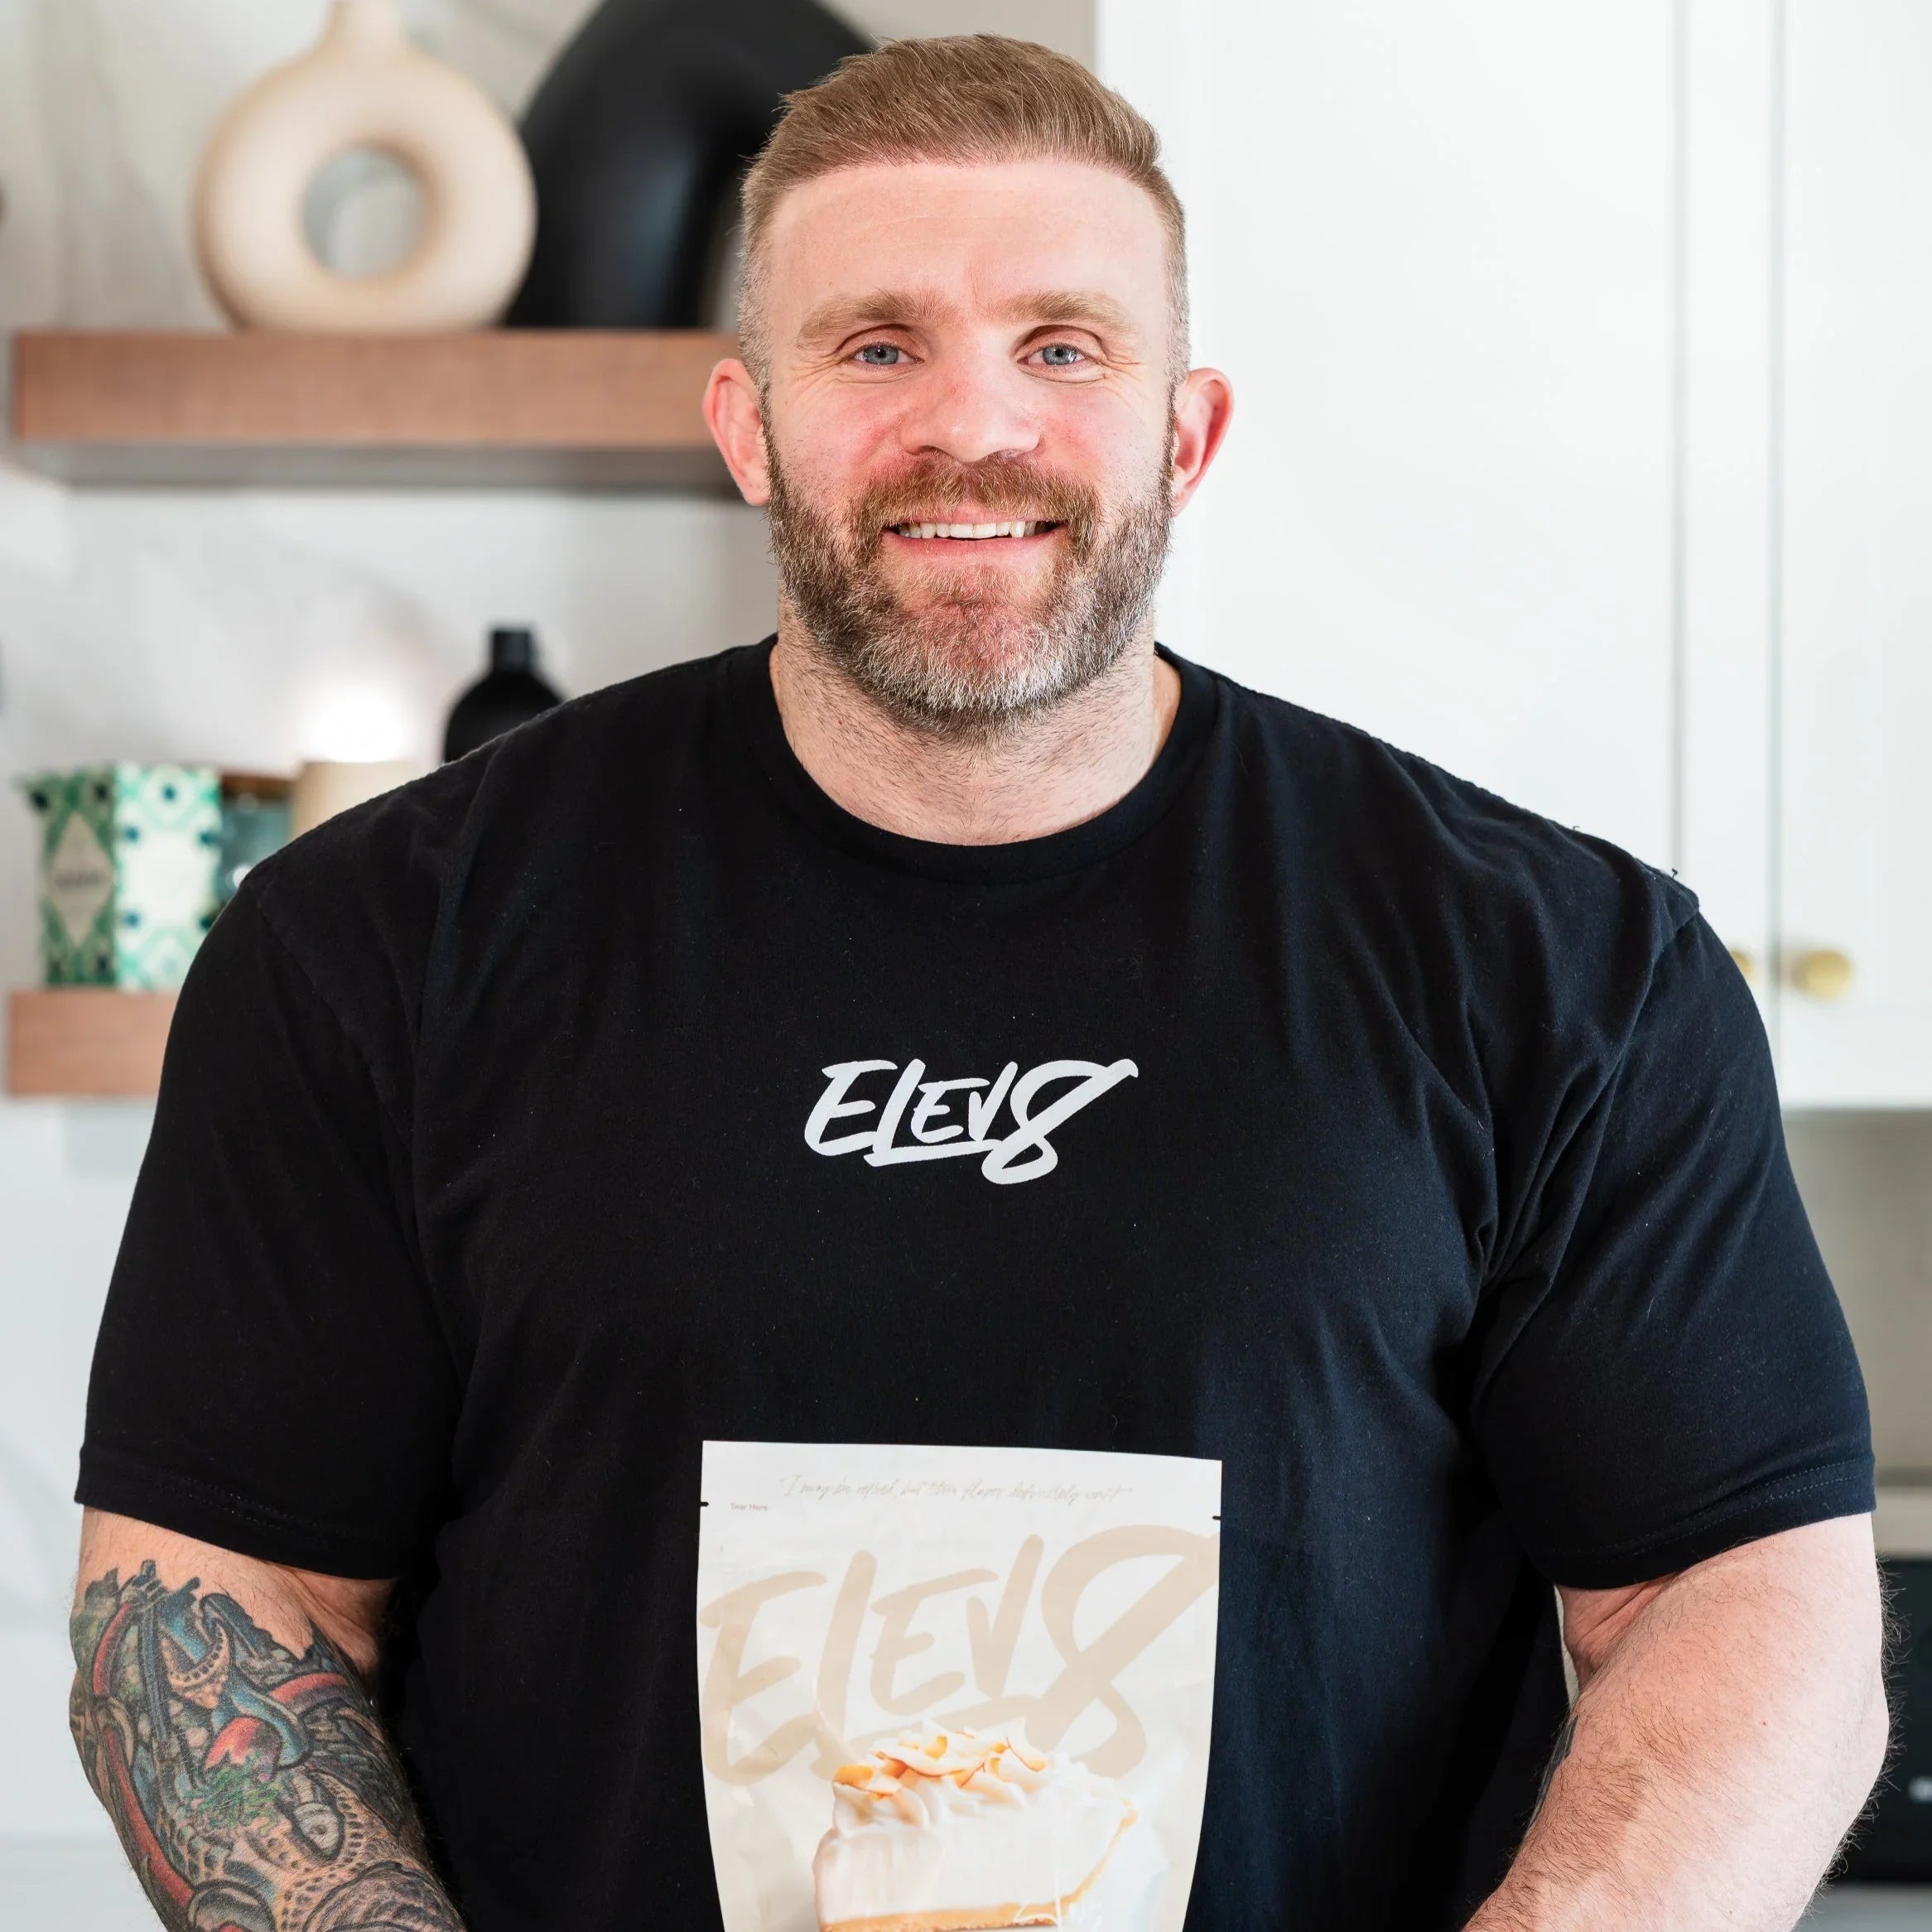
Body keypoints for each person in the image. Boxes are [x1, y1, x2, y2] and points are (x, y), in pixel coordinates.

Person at [69, 34, 1885, 1932]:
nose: (974, 427)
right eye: (874, 347)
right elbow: (212, 1596)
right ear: (746, 426)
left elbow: (1738, 1596)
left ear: (1186, 432)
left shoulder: (1554, 964)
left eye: (1064, 348)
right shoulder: (372, 946)